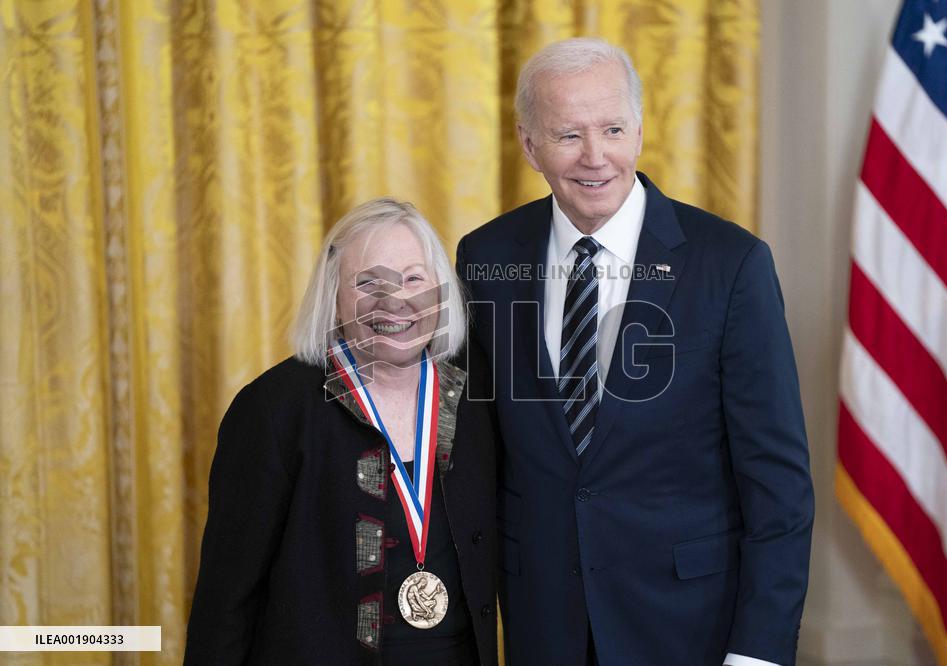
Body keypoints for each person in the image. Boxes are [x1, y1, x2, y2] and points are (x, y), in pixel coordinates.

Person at [457, 38, 814, 665]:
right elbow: (478, 452)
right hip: (543, 623)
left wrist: (757, 652)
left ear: (641, 131)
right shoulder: (485, 257)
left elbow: (778, 483)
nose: (595, 156)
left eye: (613, 129)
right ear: (529, 144)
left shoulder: (731, 264)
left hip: (688, 626)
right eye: (568, 134)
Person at [186, 198, 497, 665]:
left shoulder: (474, 397)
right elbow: (227, 599)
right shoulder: (273, 410)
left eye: (414, 278)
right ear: (333, 297)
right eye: (367, 282)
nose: (395, 301)